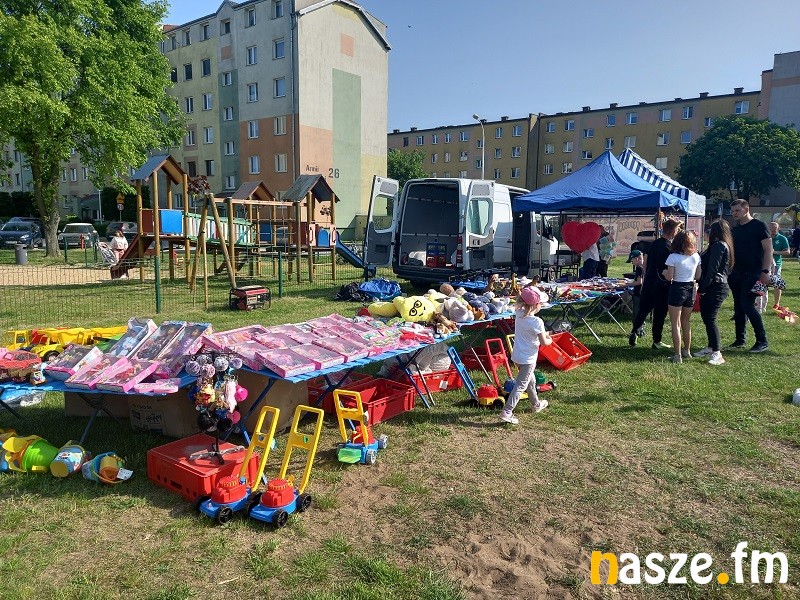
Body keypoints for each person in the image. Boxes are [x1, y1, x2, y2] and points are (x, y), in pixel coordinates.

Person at [501, 286, 553, 425]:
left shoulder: (519, 313)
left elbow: (532, 333)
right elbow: (544, 342)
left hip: (517, 356)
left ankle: (536, 404)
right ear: (536, 305)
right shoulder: (537, 322)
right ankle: (507, 411)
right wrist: (550, 339)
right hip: (528, 359)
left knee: (531, 380)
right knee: (520, 385)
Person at [628, 219, 681, 349]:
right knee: (659, 313)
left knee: (643, 310)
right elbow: (668, 268)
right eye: (677, 230)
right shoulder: (669, 247)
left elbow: (645, 264)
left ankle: (634, 331)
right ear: (673, 231)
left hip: (649, 282)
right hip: (662, 285)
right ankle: (657, 341)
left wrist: (647, 276)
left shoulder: (652, 244)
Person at [728, 199, 772, 353]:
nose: (734, 213)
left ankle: (762, 341)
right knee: (738, 307)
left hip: (754, 272)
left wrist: (765, 271)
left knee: (747, 304)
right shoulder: (735, 229)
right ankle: (740, 339)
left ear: (746, 209)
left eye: (737, 210)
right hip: (736, 272)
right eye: (732, 211)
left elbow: (768, 250)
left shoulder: (759, 226)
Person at [693, 220, 734, 366]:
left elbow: (712, 269)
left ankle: (717, 352)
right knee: (707, 317)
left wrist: (703, 287)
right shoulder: (720, 245)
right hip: (715, 284)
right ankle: (711, 347)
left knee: (710, 318)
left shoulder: (719, 245)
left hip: (716, 286)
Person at [663, 231, 701, 363]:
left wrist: (664, 272)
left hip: (677, 288)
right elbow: (698, 276)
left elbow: (669, 277)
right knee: (686, 321)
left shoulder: (673, 257)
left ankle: (677, 355)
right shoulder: (696, 256)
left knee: (675, 323)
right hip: (690, 288)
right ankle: (687, 350)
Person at [768, 222, 790, 308]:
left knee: (777, 284)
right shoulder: (765, 236)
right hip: (764, 263)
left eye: (774, 230)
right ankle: (759, 303)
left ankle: (776, 303)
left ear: (778, 229)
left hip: (776, 264)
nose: (772, 232)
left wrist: (774, 252)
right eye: (771, 230)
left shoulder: (782, 238)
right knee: (761, 283)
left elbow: (787, 252)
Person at [626, 249, 644, 336]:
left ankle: (636, 331)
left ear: (637, 258)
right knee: (641, 312)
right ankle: (641, 330)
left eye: (632, 260)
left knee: (636, 313)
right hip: (643, 293)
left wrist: (627, 284)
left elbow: (639, 282)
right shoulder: (644, 266)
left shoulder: (639, 268)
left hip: (638, 293)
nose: (631, 263)